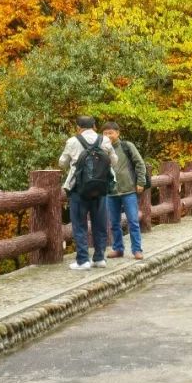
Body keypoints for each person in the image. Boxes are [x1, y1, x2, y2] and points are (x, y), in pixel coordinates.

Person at [59, 116, 118, 270]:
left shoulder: (72, 141)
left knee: (79, 224)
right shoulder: (104, 140)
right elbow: (114, 160)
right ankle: (99, 258)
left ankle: (83, 260)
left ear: (78, 127)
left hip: (78, 189)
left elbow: (62, 162)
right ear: (94, 126)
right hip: (100, 188)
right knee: (100, 223)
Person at [102, 121, 148, 260]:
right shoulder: (101, 149)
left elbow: (139, 163)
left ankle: (137, 250)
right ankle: (118, 249)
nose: (108, 136)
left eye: (111, 133)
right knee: (114, 222)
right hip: (110, 192)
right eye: (105, 133)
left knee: (133, 221)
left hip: (128, 190)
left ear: (117, 133)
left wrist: (141, 182)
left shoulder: (126, 146)